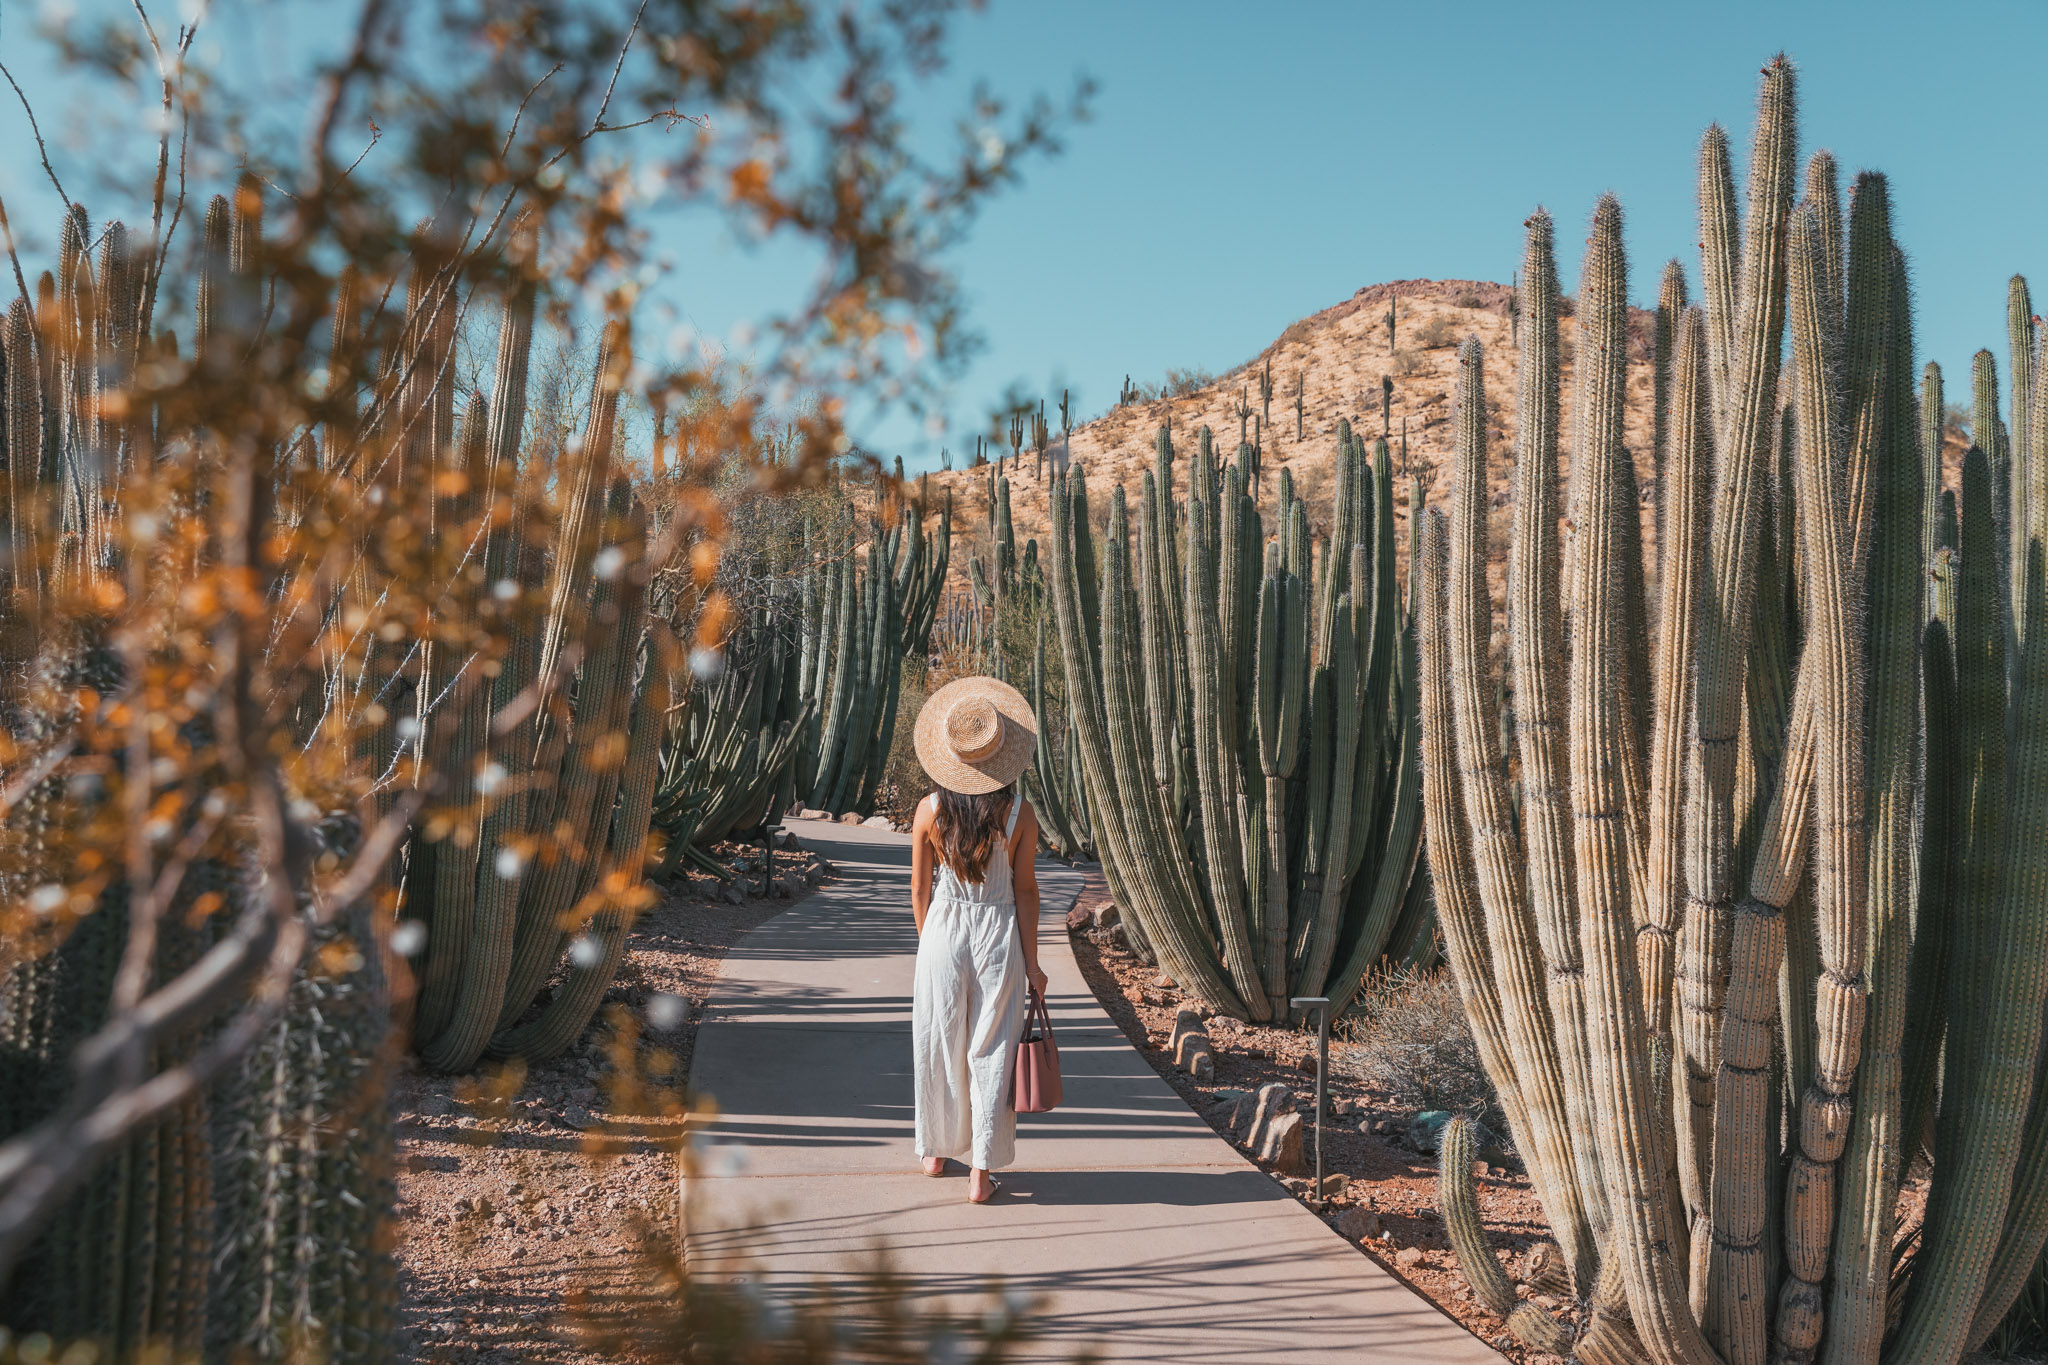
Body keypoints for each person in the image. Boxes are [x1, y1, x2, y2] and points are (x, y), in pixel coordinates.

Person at [908, 674, 1048, 1205]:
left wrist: (929, 945)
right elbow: (1028, 891)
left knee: (939, 1040)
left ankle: (936, 1151)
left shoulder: (929, 810)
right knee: (992, 1047)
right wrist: (1032, 963)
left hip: (943, 929)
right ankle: (980, 1171)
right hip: (998, 931)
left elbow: (920, 888)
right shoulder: (1019, 815)